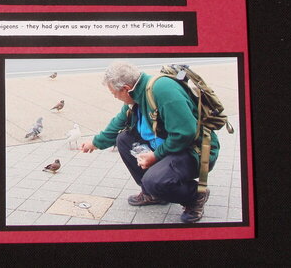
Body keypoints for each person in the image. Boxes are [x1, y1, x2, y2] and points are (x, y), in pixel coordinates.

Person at [80, 61, 219, 223]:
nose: (115, 97)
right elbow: (119, 122)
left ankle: (195, 196)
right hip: (171, 146)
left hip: (194, 151)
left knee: (154, 180)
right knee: (124, 139)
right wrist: (95, 143)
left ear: (125, 88)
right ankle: (154, 194)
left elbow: (185, 133)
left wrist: (155, 155)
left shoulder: (162, 90)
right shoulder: (137, 95)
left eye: (114, 94)